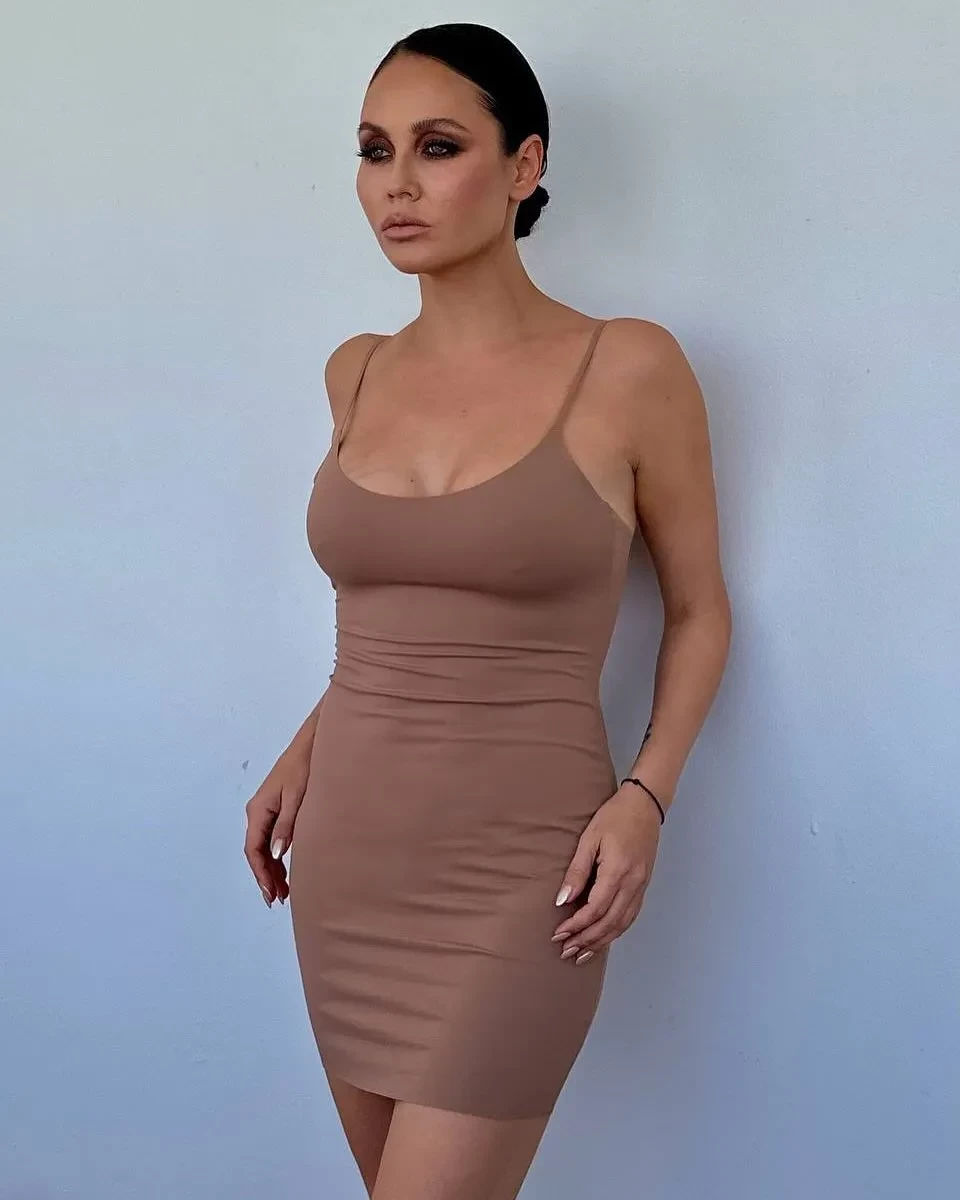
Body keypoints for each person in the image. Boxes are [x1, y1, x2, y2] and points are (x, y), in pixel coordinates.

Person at [244, 21, 731, 1200]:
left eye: (438, 146)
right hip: (349, 858)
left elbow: (701, 611)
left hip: (522, 871)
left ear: (525, 165)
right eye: (374, 150)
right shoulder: (355, 370)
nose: (396, 184)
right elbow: (399, 613)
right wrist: (303, 747)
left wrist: (647, 798)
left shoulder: (628, 368)